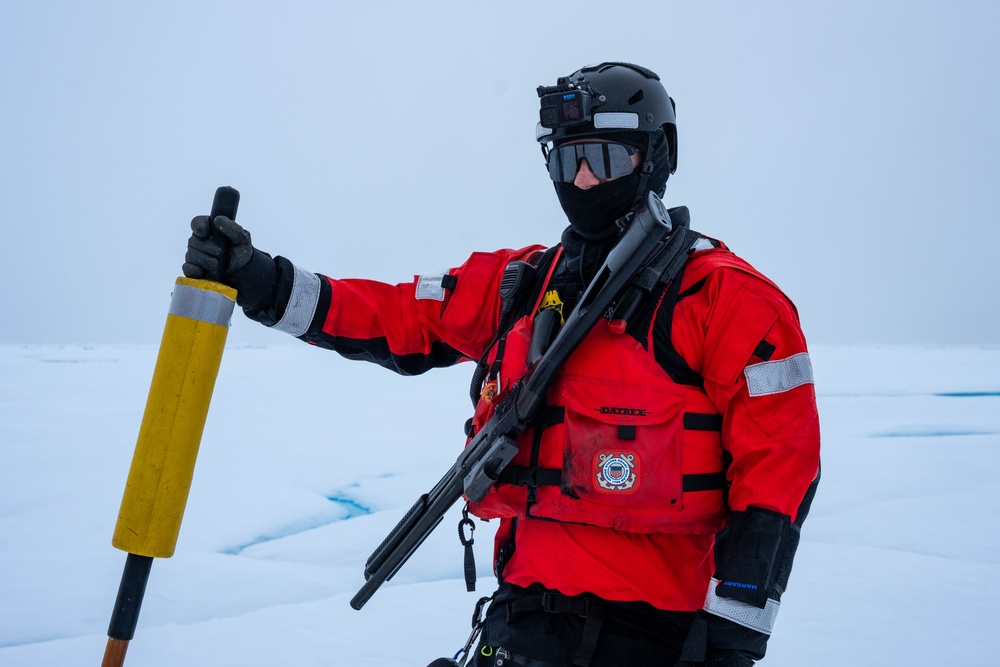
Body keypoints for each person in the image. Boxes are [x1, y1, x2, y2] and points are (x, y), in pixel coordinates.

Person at [183, 62, 820, 667]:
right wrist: (262, 281)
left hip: (657, 633)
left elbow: (782, 465)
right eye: (567, 159)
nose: (583, 182)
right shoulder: (522, 285)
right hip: (522, 623)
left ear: (656, 158)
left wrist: (734, 634)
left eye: (602, 157)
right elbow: (396, 316)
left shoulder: (727, 301)